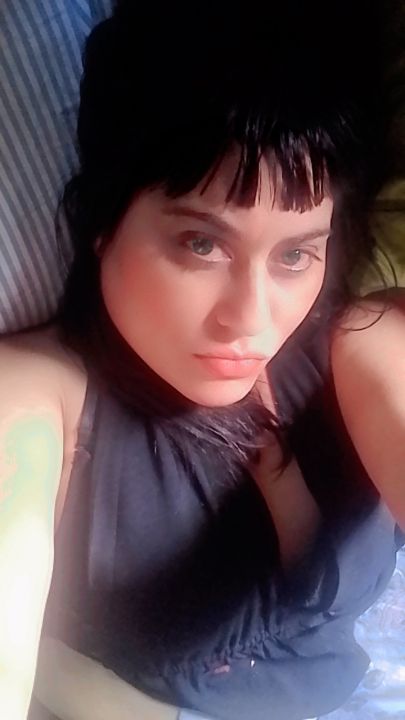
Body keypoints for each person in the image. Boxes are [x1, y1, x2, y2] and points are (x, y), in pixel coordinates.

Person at [0, 2, 404, 719]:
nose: (250, 319)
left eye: (293, 255)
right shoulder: (39, 397)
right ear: (101, 223)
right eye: (201, 244)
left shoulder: (364, 342)